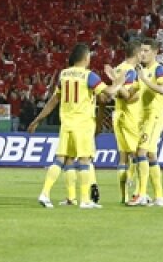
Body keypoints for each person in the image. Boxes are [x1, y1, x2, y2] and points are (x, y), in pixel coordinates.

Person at [27, 43, 115, 209]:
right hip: (83, 124)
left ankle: (45, 194)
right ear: (86, 57)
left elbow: (53, 101)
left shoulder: (64, 75)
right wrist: (118, 81)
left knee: (62, 159)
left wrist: (37, 119)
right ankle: (84, 201)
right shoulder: (89, 76)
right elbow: (109, 93)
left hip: (66, 123)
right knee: (84, 160)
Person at [129, 38, 163, 207]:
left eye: (146, 50)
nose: (142, 54)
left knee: (141, 152)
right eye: (141, 50)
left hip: (154, 117)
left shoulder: (158, 69)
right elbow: (134, 92)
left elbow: (162, 90)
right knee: (151, 155)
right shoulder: (143, 71)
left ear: (155, 52)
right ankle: (159, 197)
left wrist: (145, 79)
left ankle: (142, 194)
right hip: (144, 117)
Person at [105, 38, 143, 203]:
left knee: (123, 156)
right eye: (141, 51)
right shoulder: (130, 71)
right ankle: (137, 194)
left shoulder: (118, 68)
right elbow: (127, 96)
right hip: (129, 116)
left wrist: (114, 79)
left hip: (117, 115)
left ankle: (124, 196)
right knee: (137, 154)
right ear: (136, 53)